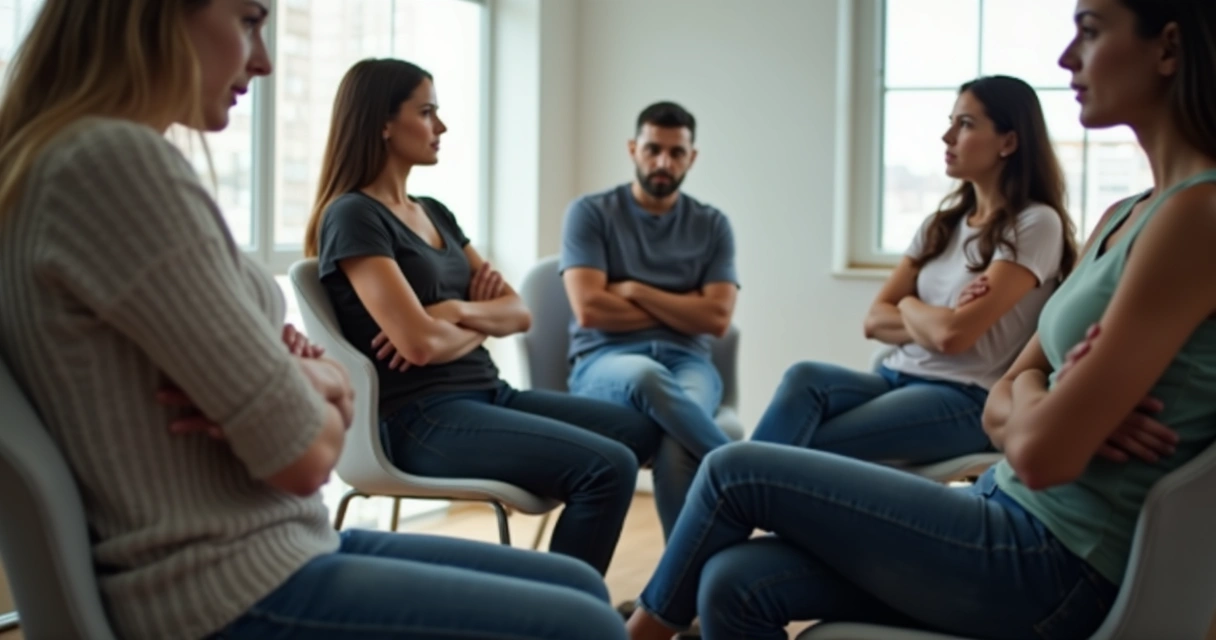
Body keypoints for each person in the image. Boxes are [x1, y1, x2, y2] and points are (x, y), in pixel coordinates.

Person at [0, 2, 627, 639]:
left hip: (281, 544)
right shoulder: (114, 168)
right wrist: (328, 381)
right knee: (587, 625)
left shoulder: (70, 164)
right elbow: (305, 456)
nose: (265, 61)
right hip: (225, 583)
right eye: (248, 20)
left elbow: (511, 313)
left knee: (578, 586)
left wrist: (310, 376)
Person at [626, 0, 1216, 638]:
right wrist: (1052, 398)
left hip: (1055, 556)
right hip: (1000, 501)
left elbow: (1040, 453)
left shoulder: (1196, 217)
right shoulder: (1122, 215)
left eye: (1091, 32)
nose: (1066, 57)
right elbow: (1008, 395)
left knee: (734, 469)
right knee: (732, 579)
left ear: (1168, 48)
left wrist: (1049, 406)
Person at [304, 58, 663, 577]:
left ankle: (639, 598)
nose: (442, 126)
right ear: (382, 123)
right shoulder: (353, 215)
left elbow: (518, 313)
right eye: (426, 112)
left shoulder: (434, 211)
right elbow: (419, 346)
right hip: (420, 417)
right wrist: (473, 326)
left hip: (490, 394)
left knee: (642, 432)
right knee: (608, 467)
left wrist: (453, 311)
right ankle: (555, 613)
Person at [751, 75, 1078, 466]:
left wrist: (908, 306)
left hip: (964, 397)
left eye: (966, 124)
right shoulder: (940, 226)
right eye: (951, 122)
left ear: (1008, 142)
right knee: (804, 377)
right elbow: (875, 320)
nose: (947, 136)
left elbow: (953, 336)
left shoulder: (1035, 224)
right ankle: (733, 484)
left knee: (805, 444)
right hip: (895, 376)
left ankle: (730, 484)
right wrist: (930, 314)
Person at [560, 101, 741, 538]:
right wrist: (684, 306)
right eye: (652, 149)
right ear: (632, 149)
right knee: (646, 376)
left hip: (688, 362)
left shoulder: (712, 224)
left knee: (677, 441)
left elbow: (717, 318)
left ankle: (679, 579)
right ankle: (750, 474)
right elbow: (590, 309)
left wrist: (635, 290)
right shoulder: (590, 212)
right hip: (605, 363)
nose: (663, 162)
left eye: (676, 153)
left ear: (691, 157)